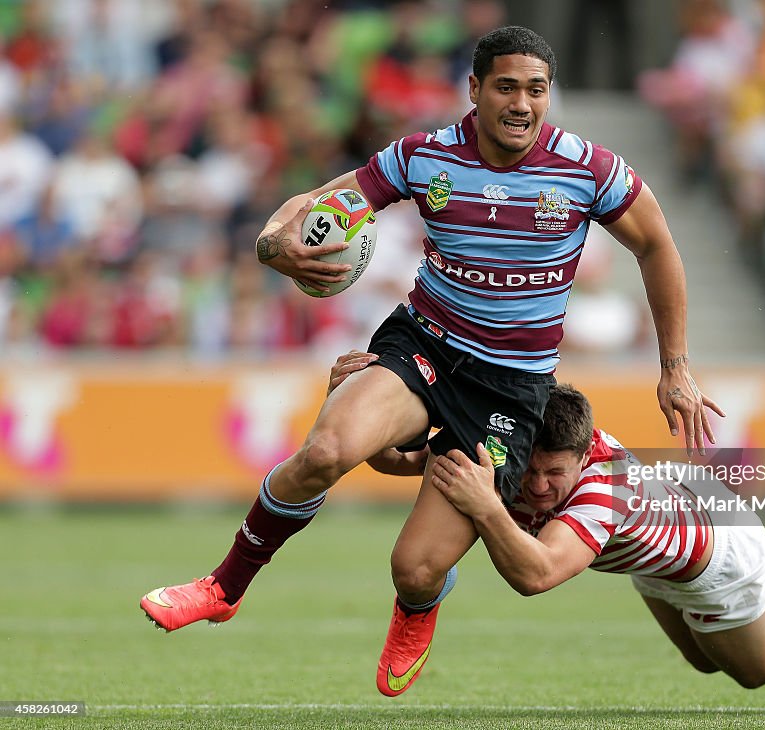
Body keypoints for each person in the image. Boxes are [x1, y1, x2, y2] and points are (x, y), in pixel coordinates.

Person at [140, 25, 721, 699]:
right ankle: (223, 586)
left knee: (414, 569)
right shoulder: (424, 157)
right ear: (474, 90)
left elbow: (657, 244)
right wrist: (274, 242)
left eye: (536, 90)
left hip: (510, 392)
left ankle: (418, 604)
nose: (522, 104)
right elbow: (323, 204)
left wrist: (675, 363)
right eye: (506, 86)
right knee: (327, 449)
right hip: (424, 344)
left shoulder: (588, 169)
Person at [421, 380, 765, 710]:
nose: (537, 486)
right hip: (666, 539)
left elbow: (537, 575)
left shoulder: (604, 489)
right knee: (705, 660)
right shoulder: (541, 442)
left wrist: (487, 507)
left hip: (719, 552)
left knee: (760, 666)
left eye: (555, 473)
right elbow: (422, 459)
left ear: (583, 453)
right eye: (530, 469)